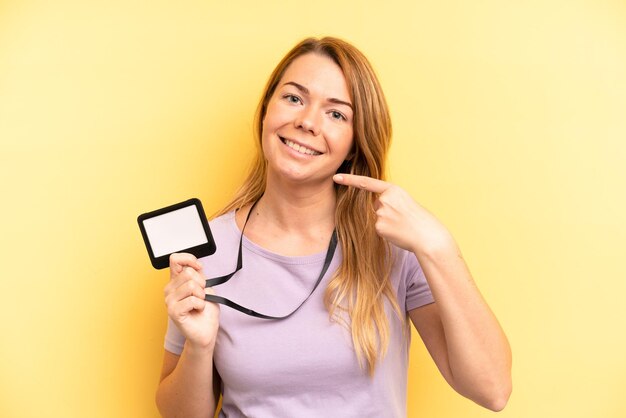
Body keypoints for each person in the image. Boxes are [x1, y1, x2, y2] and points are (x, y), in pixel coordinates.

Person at [155, 36, 512, 418]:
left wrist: (437, 247)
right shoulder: (209, 248)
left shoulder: (392, 243)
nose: (306, 122)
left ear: (355, 145)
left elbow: (492, 390)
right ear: (265, 111)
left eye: (336, 114)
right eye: (293, 98)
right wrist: (199, 347)